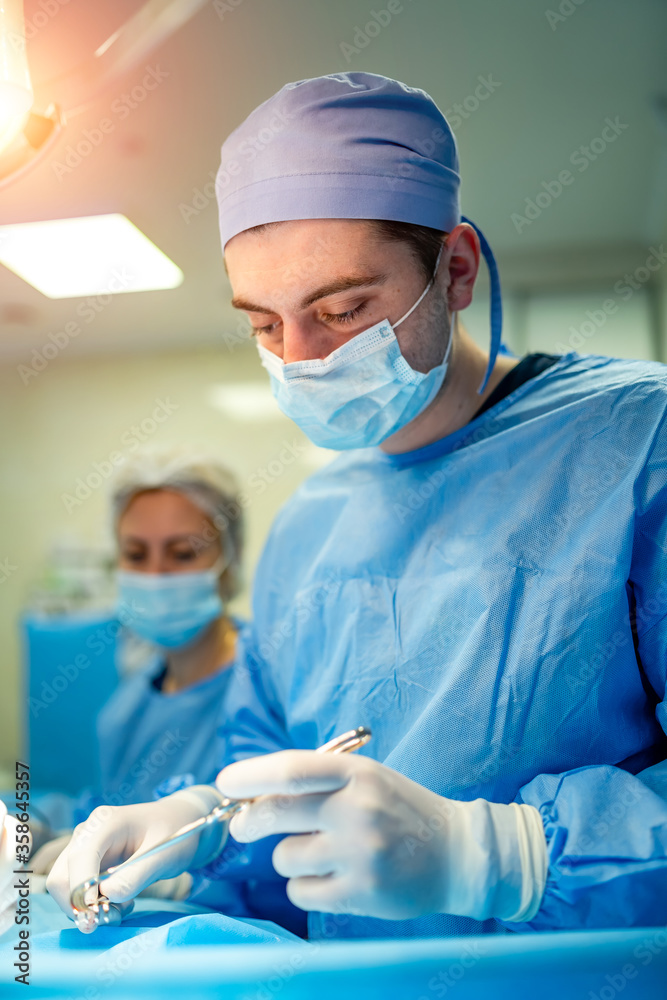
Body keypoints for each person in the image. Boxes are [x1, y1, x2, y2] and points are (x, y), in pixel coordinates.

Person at [48, 72, 667, 940]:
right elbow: (265, 775)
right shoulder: (311, 526)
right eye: (264, 325)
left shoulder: (639, 443)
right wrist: (201, 825)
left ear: (453, 269)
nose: (300, 360)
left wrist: (504, 854)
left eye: (342, 309)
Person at [32, 448, 243, 888]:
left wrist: (189, 880)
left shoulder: (266, 682)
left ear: (229, 563)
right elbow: (105, 807)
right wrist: (35, 831)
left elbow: (281, 847)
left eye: (183, 553)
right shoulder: (128, 705)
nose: (156, 574)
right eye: (135, 553)